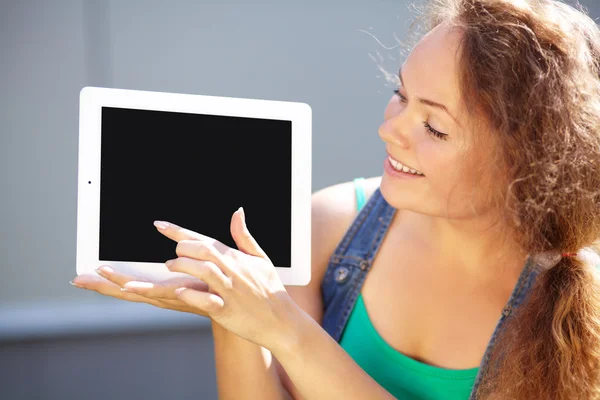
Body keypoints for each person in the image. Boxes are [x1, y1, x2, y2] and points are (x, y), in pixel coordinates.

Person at [71, 0, 600, 398]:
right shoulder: (331, 225)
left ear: (523, 163)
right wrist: (233, 310)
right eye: (400, 94)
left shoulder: (576, 302)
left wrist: (284, 327)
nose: (390, 130)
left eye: (434, 127)